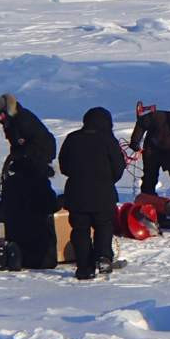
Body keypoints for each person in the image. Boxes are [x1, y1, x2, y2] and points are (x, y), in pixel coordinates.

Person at [0, 93, 59, 270]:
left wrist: (23, 156)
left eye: (1, 114)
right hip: (26, 159)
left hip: (37, 157)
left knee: (35, 192)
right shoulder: (10, 122)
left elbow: (40, 142)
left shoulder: (24, 120)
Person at [58, 107, 126, 280]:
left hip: (76, 194)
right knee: (104, 226)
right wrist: (107, 180)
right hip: (103, 194)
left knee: (80, 230)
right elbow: (118, 167)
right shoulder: (108, 140)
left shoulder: (72, 138)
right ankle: (103, 257)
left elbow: (64, 166)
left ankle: (83, 267)